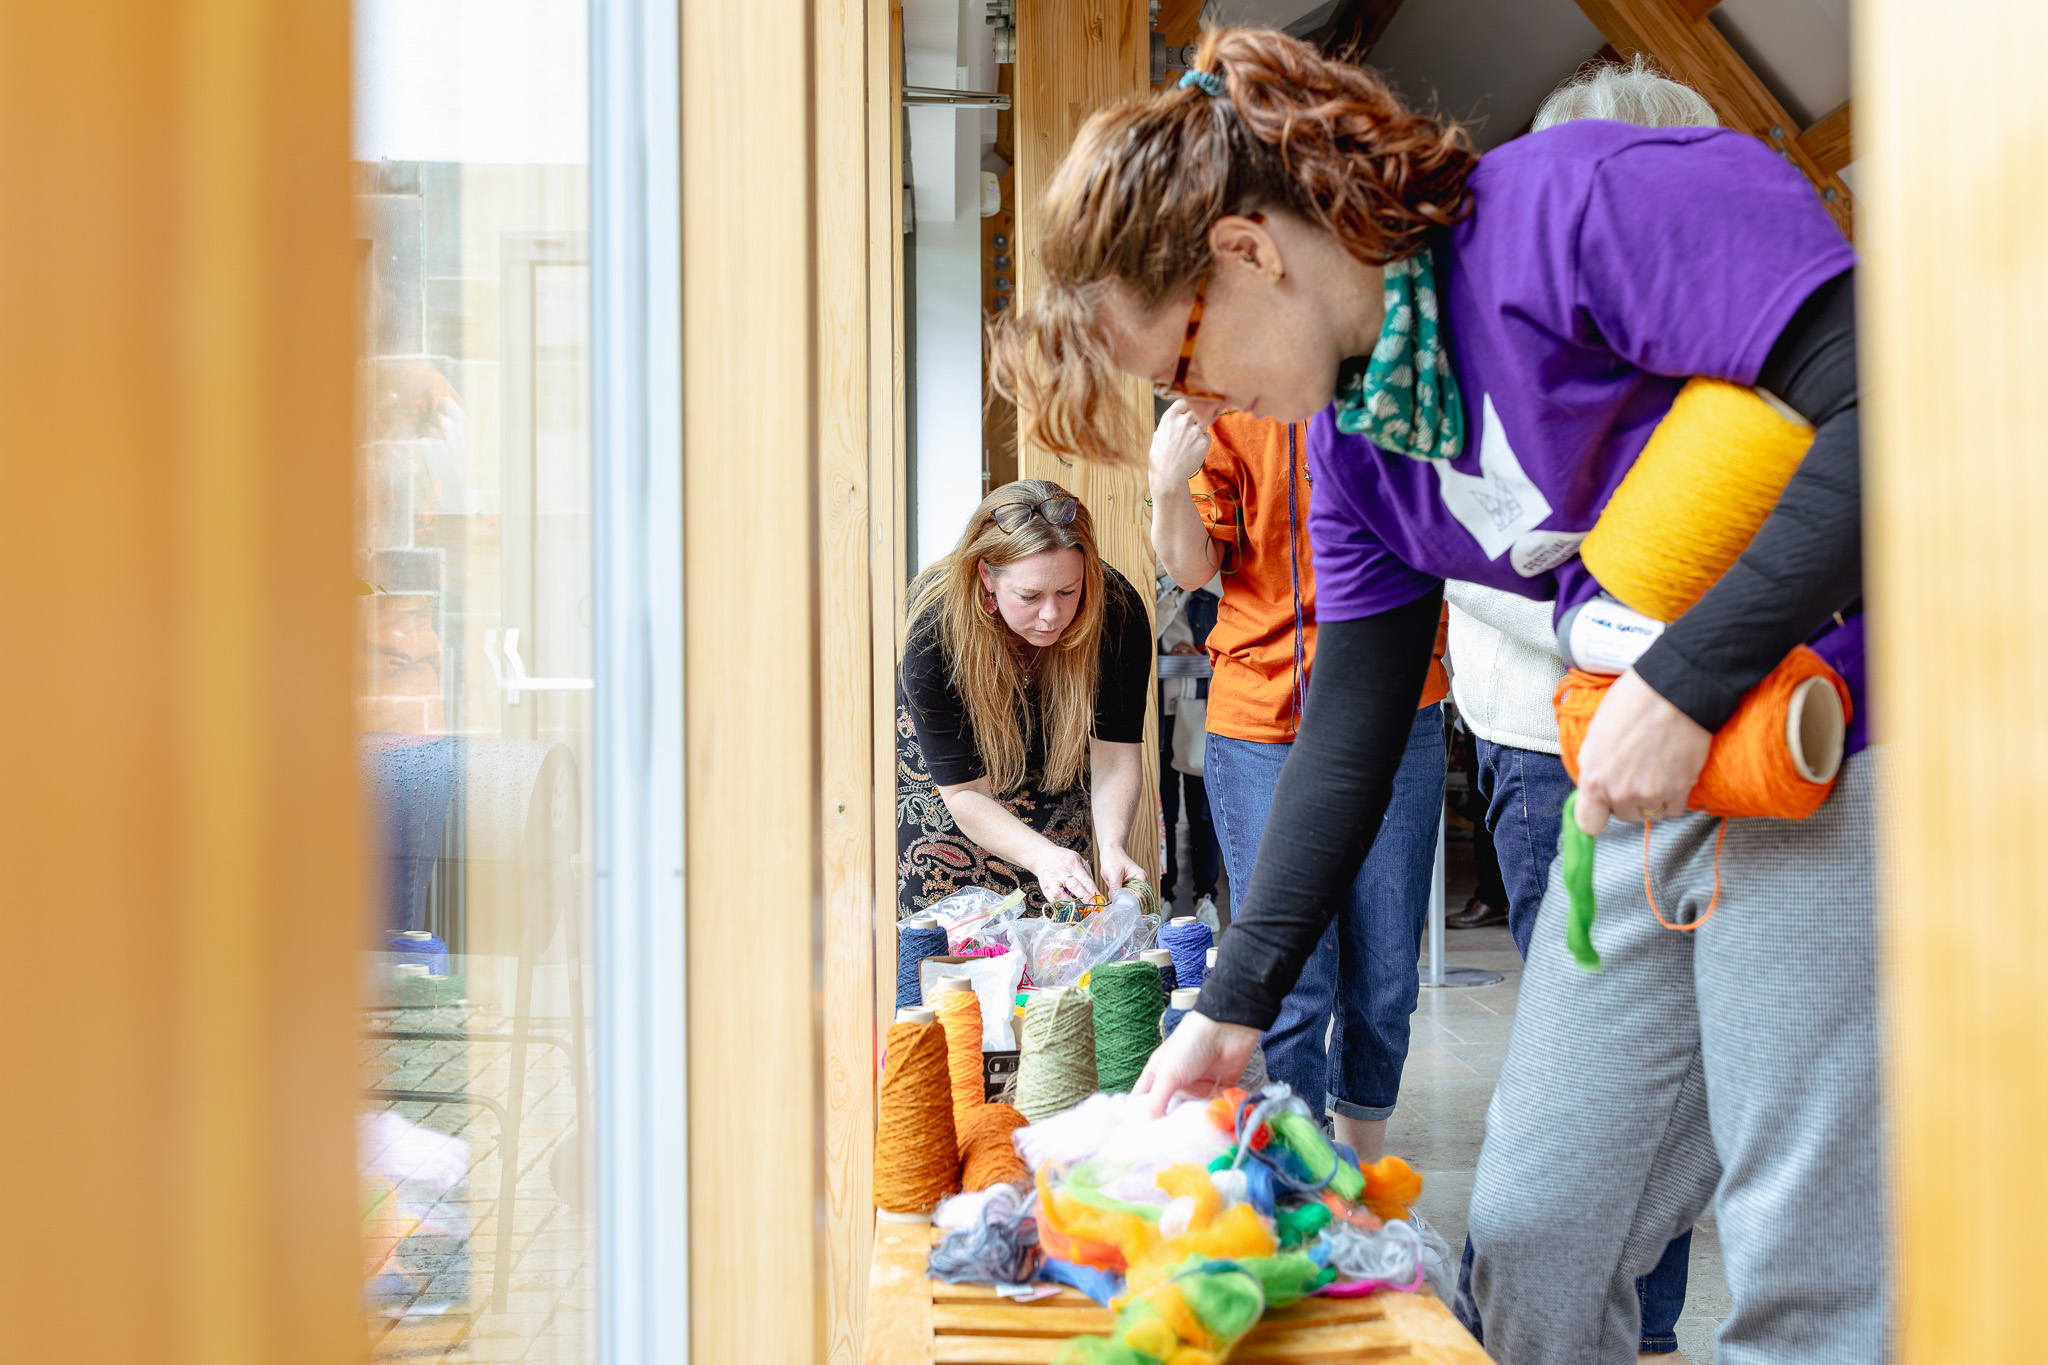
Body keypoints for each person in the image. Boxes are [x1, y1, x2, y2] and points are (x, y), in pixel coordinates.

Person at [993, 28, 1875, 1365]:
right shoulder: (1354, 447)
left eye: (1177, 362)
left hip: (1836, 741)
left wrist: (1691, 677)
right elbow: (1345, 736)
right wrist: (1232, 1006)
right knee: (1530, 1232)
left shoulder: (1581, 209)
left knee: (1803, 1258)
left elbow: (1892, 405)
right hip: (1641, 781)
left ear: (1246, 251)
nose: (1197, 399)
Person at [1442, 55, 1725, 1364]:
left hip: (1775, 777)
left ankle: (1649, 1332)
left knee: (1734, 1149)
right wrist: (1603, 635)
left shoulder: (1754, 367)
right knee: (1556, 1164)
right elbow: (1466, 561)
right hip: (1554, 749)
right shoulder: (1500, 373)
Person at [1150, 400, 1447, 1163]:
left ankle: (1363, 1174)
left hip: (1395, 702)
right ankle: (1300, 1171)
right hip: (1259, 717)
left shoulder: (1393, 381)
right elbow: (1194, 570)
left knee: (1386, 976)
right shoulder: (1225, 407)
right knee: (1292, 976)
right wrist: (1165, 487)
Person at [896, 479, 1152, 917]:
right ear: (986, 578)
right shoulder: (934, 628)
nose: (1052, 615)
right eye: (1030, 596)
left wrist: (1111, 844)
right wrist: (1039, 856)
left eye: (1069, 592)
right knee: (953, 952)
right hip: (956, 793)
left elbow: (1114, 755)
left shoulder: (1116, 611)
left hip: (1056, 772)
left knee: (1063, 928)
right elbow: (963, 795)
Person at [1155, 570, 1223, 920]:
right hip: (1159, 721)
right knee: (1162, 812)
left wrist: (1195, 653)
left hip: (1199, 714)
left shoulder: (1210, 604)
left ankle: (1206, 897)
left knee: (1203, 811)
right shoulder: (1153, 605)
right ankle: (1165, 892)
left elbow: (1222, 656)